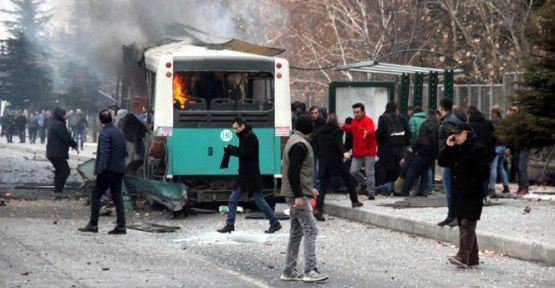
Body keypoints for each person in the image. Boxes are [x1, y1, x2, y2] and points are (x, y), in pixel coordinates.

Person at [280, 115, 327, 283]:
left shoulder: (293, 140)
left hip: (293, 193)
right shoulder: (300, 145)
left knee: (296, 232)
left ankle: (289, 270)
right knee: (311, 229)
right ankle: (310, 270)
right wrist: (299, 195)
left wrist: (307, 188)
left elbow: (297, 172)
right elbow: (293, 172)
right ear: (310, 129)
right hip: (295, 196)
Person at [217, 117, 281, 234]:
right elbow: (243, 152)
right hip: (245, 175)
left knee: (258, 200)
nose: (235, 131)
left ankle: (275, 222)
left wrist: (231, 150)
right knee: (234, 199)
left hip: (250, 176)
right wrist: (232, 149)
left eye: (236, 128)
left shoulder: (250, 137)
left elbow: (246, 154)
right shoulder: (245, 136)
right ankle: (230, 224)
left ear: (242, 126)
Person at [439, 123, 490, 268]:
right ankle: (472, 257)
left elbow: (484, 172)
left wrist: (472, 185)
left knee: (467, 223)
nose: (455, 136)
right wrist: (448, 147)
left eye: (458, 133)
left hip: (472, 192)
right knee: (463, 222)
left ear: (465, 133)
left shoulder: (478, 148)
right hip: (459, 192)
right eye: (453, 134)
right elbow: (442, 162)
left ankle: (462, 256)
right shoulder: (456, 148)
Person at [79, 109, 127, 234]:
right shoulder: (119, 132)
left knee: (95, 195)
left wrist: (100, 171)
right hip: (119, 169)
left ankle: (93, 224)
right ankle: (121, 226)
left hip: (108, 171)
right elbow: (124, 152)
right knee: (117, 197)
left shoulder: (105, 133)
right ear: (111, 118)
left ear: (100, 121)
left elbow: (105, 154)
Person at [312, 113, 363, 221]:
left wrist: (318, 155)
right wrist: (344, 152)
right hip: (335, 161)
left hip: (323, 162)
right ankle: (354, 201)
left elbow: (314, 142)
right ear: (336, 121)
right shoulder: (337, 131)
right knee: (348, 178)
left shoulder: (320, 131)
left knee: (323, 187)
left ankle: (318, 209)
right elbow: (338, 143)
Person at [437, 98, 467, 227]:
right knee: (451, 188)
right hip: (451, 159)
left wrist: (447, 150)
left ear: (441, 108)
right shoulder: (452, 119)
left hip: (450, 159)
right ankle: (452, 215)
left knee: (451, 189)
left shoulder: (449, 121)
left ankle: (454, 215)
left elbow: (453, 140)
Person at [400, 110, 439, 196]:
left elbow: (420, 139)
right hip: (431, 153)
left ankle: (405, 190)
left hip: (422, 151)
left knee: (412, 171)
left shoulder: (425, 125)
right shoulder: (436, 126)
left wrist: (414, 149)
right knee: (424, 172)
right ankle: (422, 191)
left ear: (428, 116)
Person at [342, 103, 377, 200]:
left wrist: (367, 132)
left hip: (368, 152)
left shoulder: (368, 120)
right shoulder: (354, 121)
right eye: (354, 112)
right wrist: (343, 126)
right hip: (357, 152)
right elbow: (350, 129)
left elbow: (371, 129)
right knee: (353, 171)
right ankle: (364, 182)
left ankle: (371, 193)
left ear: (363, 111)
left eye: (357, 112)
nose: (356, 114)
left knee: (369, 172)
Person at [46, 108, 78, 199]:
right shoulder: (58, 124)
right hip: (57, 152)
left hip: (54, 152)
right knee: (65, 170)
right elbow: (66, 137)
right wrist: (74, 144)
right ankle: (58, 191)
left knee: (59, 171)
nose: (66, 116)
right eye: (64, 115)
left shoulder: (54, 122)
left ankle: (57, 191)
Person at [375, 102, 410, 186]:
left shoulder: (383, 118)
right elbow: (408, 133)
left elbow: (379, 134)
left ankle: (382, 187)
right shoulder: (402, 118)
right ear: (396, 108)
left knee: (382, 167)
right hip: (400, 148)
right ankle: (397, 187)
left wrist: (379, 144)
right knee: (398, 168)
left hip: (386, 148)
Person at [466, 106, 495, 202]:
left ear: (469, 114)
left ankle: (475, 196)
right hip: (487, 152)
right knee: (485, 174)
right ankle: (484, 196)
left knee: (473, 174)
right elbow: (493, 137)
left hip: (474, 153)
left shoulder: (470, 125)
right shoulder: (487, 123)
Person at [505, 104, 529, 196]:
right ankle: (520, 187)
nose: (511, 112)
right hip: (515, 147)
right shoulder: (510, 122)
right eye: (510, 110)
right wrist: (508, 147)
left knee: (521, 167)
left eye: (514, 111)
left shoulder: (522, 122)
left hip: (523, 146)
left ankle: (525, 188)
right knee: (516, 167)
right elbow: (509, 135)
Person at [489, 105, 510, 194]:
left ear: (495, 112)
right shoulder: (504, 122)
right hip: (503, 147)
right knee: (501, 167)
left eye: (491, 112)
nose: (490, 114)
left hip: (496, 146)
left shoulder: (493, 122)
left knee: (493, 167)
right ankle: (506, 186)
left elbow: (491, 135)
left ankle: (492, 188)